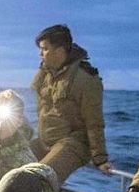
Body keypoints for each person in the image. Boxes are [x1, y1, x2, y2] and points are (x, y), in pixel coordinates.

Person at [30, 24, 113, 183]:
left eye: (45, 49)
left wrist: (100, 159)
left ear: (60, 51)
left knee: (38, 178)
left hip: (73, 143)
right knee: (9, 164)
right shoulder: (46, 74)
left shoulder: (85, 79)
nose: (40, 54)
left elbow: (94, 121)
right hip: (45, 141)